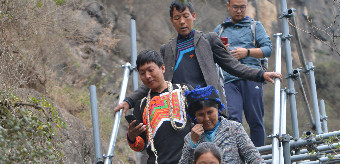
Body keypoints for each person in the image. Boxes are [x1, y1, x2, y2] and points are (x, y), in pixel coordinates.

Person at [113, 1, 281, 116]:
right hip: (182, 112)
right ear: (171, 21)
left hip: (210, 109)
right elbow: (154, 79)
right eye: (177, 18)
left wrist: (261, 74)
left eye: (186, 16)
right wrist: (129, 101)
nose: (182, 21)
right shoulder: (167, 50)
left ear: (193, 16)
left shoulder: (209, 40)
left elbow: (233, 66)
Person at [126, 50, 191, 164]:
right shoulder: (141, 105)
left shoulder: (183, 92)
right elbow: (141, 146)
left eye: (151, 70)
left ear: (162, 68)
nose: (147, 76)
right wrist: (132, 137)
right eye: (142, 73)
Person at [215, 0, 273, 147]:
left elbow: (268, 49)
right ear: (228, 6)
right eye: (235, 7)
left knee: (255, 119)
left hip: (252, 77)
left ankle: (258, 155)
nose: (239, 10)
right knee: (232, 120)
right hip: (228, 80)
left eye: (242, 7)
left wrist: (246, 52)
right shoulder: (220, 30)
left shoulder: (255, 26)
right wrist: (222, 52)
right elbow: (210, 54)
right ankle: (236, 156)